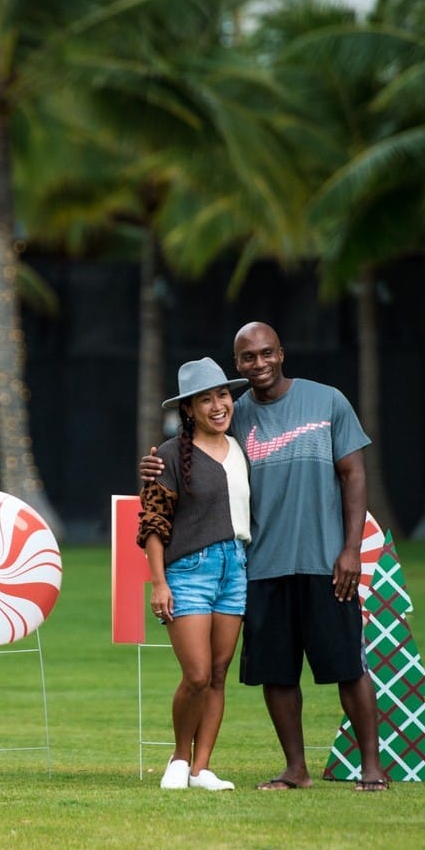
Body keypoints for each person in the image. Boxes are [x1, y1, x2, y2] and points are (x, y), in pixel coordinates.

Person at [141, 322, 389, 792]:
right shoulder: (235, 418)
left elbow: (354, 474)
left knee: (348, 667)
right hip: (260, 567)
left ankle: (371, 767)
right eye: (248, 357)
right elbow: (184, 460)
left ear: (282, 353)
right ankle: (295, 770)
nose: (259, 363)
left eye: (266, 353)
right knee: (276, 672)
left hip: (325, 562)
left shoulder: (327, 401)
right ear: (238, 365)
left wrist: (351, 549)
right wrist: (153, 466)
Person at [136, 357, 251, 791]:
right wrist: (158, 583)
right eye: (206, 399)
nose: (218, 405)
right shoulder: (167, 456)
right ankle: (179, 759)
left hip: (235, 568)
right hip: (189, 571)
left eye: (222, 395)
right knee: (198, 674)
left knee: (219, 673)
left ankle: (202, 768)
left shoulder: (242, 449)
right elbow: (152, 524)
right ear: (188, 409)